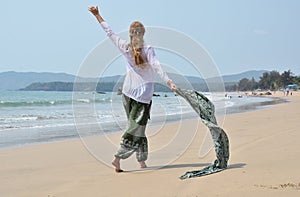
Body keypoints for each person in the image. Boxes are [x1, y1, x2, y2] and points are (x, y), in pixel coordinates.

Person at [88, 5, 177, 172]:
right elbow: (157, 67)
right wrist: (169, 82)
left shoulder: (124, 46)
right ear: (143, 34)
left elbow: (110, 32)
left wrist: (97, 15)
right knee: (135, 128)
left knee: (139, 128)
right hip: (142, 97)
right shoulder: (147, 49)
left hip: (127, 94)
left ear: (130, 34)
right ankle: (117, 158)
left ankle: (142, 161)